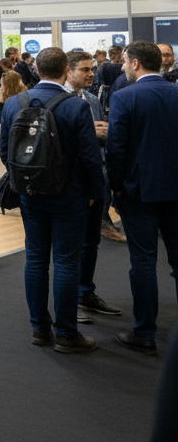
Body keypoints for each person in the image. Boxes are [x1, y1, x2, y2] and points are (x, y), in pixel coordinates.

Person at [0, 47, 105, 353]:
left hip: (30, 195)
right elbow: (90, 158)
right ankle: (67, 334)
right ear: (65, 71)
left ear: (36, 70)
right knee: (66, 262)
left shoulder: (13, 103)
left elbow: (6, 152)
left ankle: (40, 329)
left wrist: (26, 180)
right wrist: (94, 194)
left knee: (35, 260)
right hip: (70, 196)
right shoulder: (76, 106)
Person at [106, 40, 178, 356]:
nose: (122, 67)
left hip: (139, 192)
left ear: (135, 63)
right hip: (174, 190)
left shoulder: (124, 97)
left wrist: (116, 187)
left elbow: (116, 148)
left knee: (143, 262)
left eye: (124, 62)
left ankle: (144, 333)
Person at [64, 51, 123, 324]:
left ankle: (85, 293)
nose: (92, 74)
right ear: (68, 70)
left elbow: (96, 143)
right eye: (85, 69)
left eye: (92, 69)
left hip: (96, 180)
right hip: (71, 185)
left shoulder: (91, 99)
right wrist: (91, 132)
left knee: (91, 243)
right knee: (71, 248)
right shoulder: (59, 101)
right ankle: (69, 301)